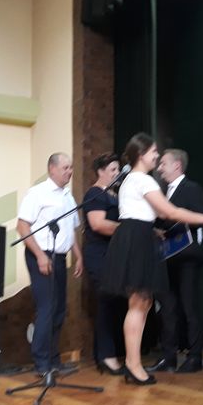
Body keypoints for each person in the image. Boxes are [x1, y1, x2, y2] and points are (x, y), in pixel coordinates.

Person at [101, 133, 203, 385]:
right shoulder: (143, 179)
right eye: (153, 152)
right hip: (138, 240)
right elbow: (170, 212)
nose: (157, 156)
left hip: (135, 236)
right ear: (141, 155)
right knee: (139, 303)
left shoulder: (130, 180)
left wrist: (154, 231)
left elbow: (141, 214)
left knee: (142, 302)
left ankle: (133, 363)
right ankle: (133, 365)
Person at [16, 153, 83, 375]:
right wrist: (40, 256)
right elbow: (22, 227)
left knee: (59, 309)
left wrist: (78, 256)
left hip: (60, 257)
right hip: (41, 255)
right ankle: (41, 363)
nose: (69, 172)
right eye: (65, 168)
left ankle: (54, 360)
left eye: (71, 167)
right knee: (46, 308)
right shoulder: (38, 193)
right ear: (51, 169)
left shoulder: (68, 197)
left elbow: (70, 231)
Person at [147, 149, 203, 374]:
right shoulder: (162, 193)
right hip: (167, 257)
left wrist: (170, 222)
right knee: (168, 308)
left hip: (187, 257)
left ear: (177, 165)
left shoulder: (192, 188)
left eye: (163, 163)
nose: (160, 168)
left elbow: (198, 218)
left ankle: (195, 357)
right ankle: (168, 357)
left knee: (189, 307)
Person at [81, 153, 126, 375]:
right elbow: (98, 224)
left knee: (114, 304)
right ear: (100, 171)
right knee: (106, 303)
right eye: (112, 170)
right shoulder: (94, 193)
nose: (117, 173)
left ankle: (107, 354)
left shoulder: (113, 194)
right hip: (99, 255)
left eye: (118, 169)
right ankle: (106, 357)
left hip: (113, 255)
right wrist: (128, 229)